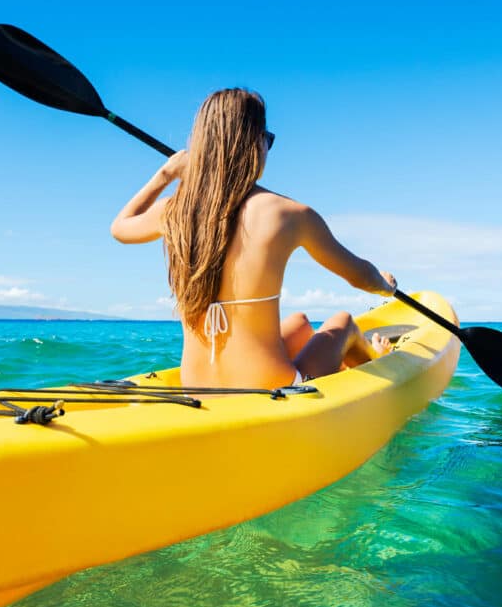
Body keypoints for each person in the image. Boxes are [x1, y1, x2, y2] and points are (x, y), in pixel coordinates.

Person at [110, 88, 396, 389]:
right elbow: (360, 276)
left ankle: (333, 369)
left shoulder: (175, 210)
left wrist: (167, 173)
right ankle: (376, 360)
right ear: (253, 143)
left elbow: (120, 227)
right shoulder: (289, 213)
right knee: (345, 323)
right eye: (267, 139)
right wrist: (384, 286)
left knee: (299, 323)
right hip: (271, 385)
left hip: (195, 385)